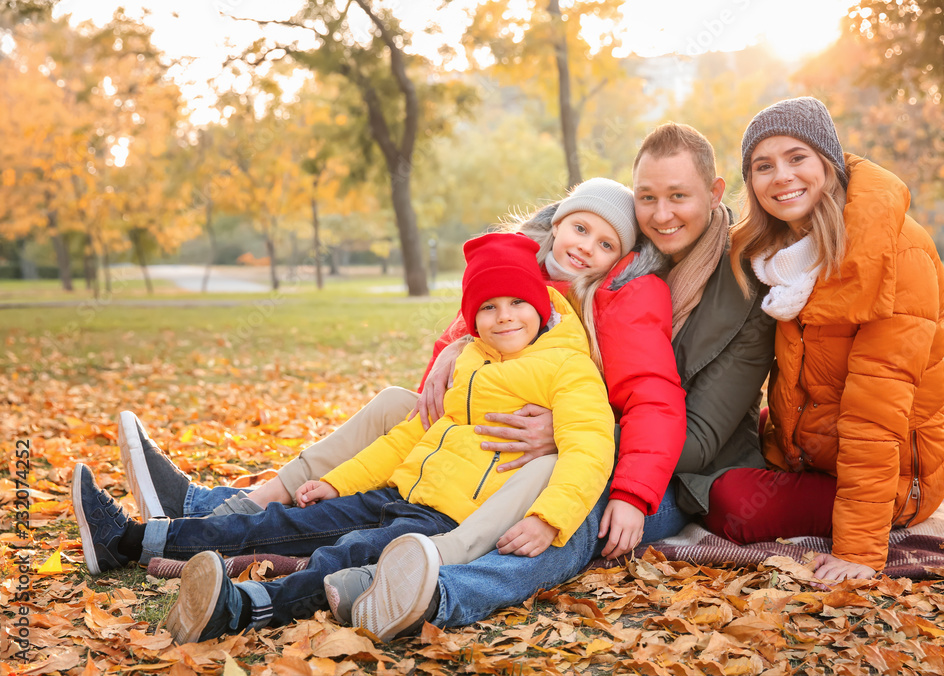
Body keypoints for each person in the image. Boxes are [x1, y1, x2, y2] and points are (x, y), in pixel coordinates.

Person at [334, 123, 778, 640]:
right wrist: (454, 348)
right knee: (420, 440)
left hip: (682, 475)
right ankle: (287, 519)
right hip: (580, 435)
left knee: (573, 509)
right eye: (648, 197)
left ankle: (438, 593)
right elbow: (506, 328)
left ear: (715, 192)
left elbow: (697, 439)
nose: (662, 214)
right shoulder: (615, 260)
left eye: (679, 197)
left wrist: (571, 432)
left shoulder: (745, 288)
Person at [72, 231, 617, 644]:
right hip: (397, 493)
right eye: (488, 307)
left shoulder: (566, 369)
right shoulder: (470, 358)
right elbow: (407, 438)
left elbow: (590, 448)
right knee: (287, 522)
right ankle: (132, 541)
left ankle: (242, 607)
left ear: (541, 305)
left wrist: (550, 518)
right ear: (471, 318)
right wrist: (338, 482)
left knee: (346, 556)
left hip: (446, 519)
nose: (504, 317)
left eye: (517, 303)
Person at [121, 178, 689, 567]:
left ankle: (214, 509)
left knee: (405, 417)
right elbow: (443, 383)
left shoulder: (607, 300)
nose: (586, 247)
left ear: (621, 257)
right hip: (467, 428)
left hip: (531, 447)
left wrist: (612, 474)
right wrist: (456, 343)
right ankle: (242, 501)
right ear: (558, 225)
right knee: (398, 402)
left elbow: (630, 398)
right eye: (580, 229)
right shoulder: (517, 273)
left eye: (606, 242)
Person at [700, 96, 944, 582]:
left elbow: (876, 413)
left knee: (730, 504)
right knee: (725, 432)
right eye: (763, 165)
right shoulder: (779, 257)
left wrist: (859, 550)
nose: (781, 176)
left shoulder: (894, 251)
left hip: (900, 479)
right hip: (819, 450)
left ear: (829, 163)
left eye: (798, 157)